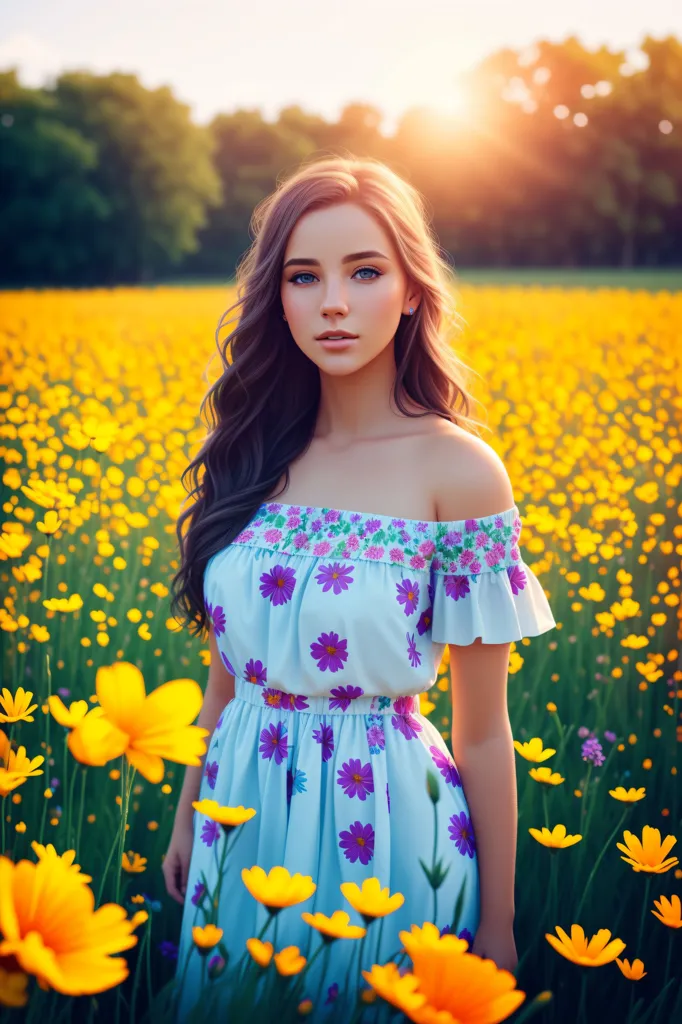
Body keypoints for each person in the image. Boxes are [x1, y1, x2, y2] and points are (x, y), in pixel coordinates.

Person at [164, 153, 557, 1022]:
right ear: (280, 297)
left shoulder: (459, 471)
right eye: (304, 277)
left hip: (381, 822)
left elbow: (483, 732)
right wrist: (186, 814)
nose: (333, 302)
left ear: (413, 291)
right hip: (241, 812)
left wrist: (498, 921)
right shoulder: (255, 453)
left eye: (365, 271)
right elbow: (224, 681)